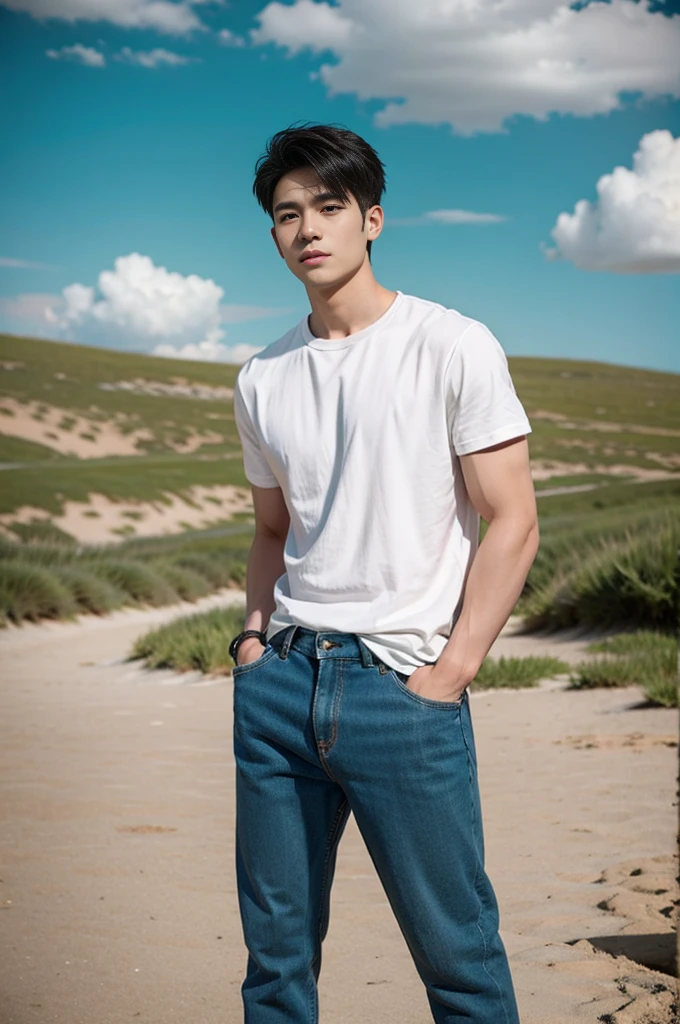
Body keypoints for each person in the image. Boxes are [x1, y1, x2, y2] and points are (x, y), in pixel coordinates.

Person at [230, 122, 539, 1024]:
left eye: (329, 207)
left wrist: (450, 674)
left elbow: (512, 520)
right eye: (288, 214)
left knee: (459, 958)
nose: (308, 228)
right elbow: (270, 528)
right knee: (275, 963)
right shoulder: (262, 376)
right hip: (281, 687)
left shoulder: (452, 344)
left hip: (400, 690)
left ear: (373, 220)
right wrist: (253, 642)